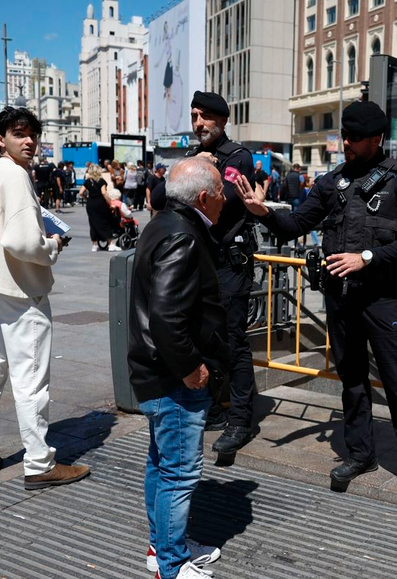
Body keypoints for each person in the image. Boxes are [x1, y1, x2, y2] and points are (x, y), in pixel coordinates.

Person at [234, 100, 397, 509]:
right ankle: (360, 455)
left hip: (385, 301)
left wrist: (367, 258)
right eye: (344, 135)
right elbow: (294, 225)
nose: (346, 143)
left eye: (355, 138)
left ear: (376, 139)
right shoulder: (330, 183)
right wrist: (262, 212)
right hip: (343, 303)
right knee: (353, 384)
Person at [128, 158, 226, 579]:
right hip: (172, 379)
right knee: (180, 473)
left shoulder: (163, 222)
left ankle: (163, 546)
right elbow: (167, 317)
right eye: (221, 191)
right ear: (203, 197)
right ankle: (170, 564)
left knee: (162, 464)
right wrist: (193, 370)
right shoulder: (183, 236)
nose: (226, 198)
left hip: (155, 373)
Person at [151, 91, 260, 454]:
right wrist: (194, 162)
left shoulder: (237, 157)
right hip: (200, 263)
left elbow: (220, 200)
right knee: (202, 337)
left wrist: (193, 173)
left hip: (229, 263)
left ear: (223, 120)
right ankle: (212, 409)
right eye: (194, 115)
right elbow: (157, 196)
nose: (198, 123)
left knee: (234, 341)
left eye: (206, 117)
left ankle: (241, 420)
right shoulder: (194, 158)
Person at [0, 106, 91, 490]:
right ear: (1, 139)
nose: (29, 141)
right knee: (31, 379)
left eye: (32, 134)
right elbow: (20, 241)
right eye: (19, 133)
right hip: (22, 291)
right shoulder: (15, 175)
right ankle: (38, 463)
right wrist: (51, 245)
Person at [79, 164, 121, 252]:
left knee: (93, 223)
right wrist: (110, 203)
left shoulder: (87, 181)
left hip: (90, 204)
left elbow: (81, 192)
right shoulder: (101, 181)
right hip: (100, 203)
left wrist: (87, 198)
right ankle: (111, 243)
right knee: (104, 222)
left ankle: (94, 245)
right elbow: (104, 193)